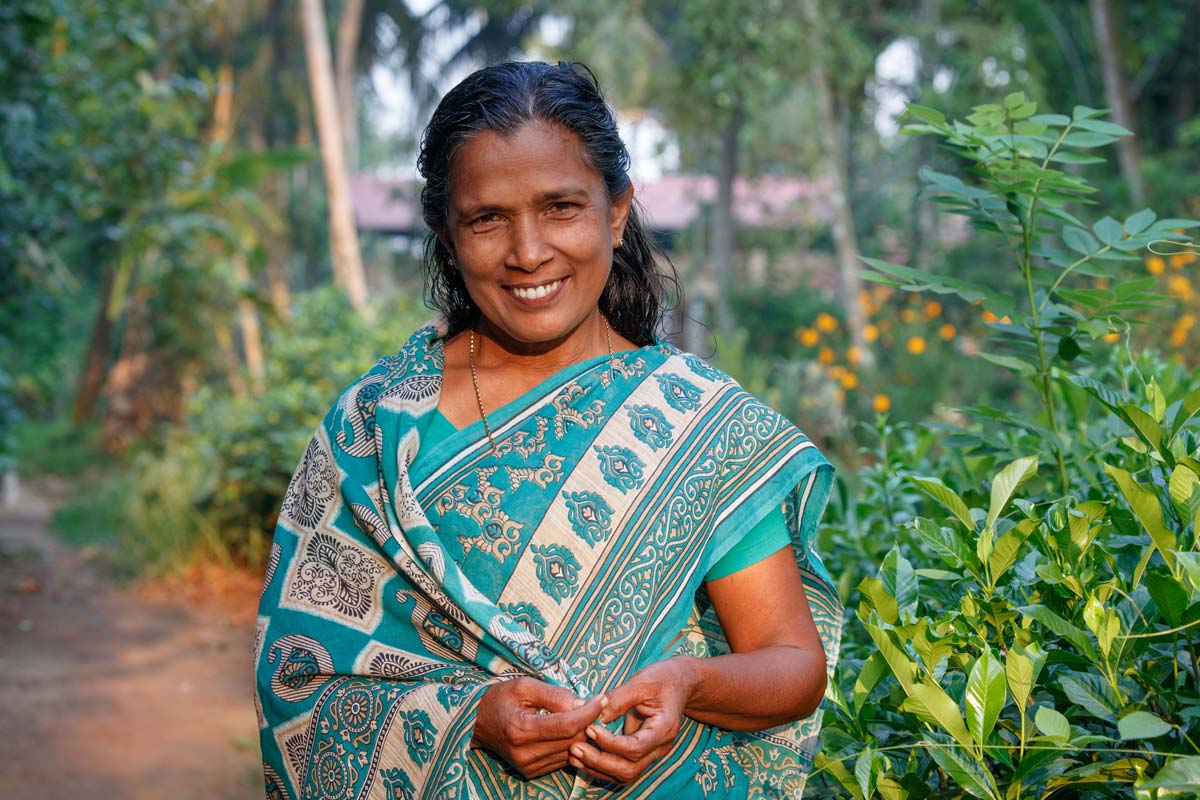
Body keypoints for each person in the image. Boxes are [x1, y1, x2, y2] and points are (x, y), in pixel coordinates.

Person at [254, 60, 842, 800]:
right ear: (446, 231)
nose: (528, 252)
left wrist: (689, 683)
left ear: (617, 210)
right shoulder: (374, 431)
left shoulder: (699, 424)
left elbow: (791, 662)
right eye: (487, 219)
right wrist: (466, 719)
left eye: (561, 207)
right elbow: (299, 676)